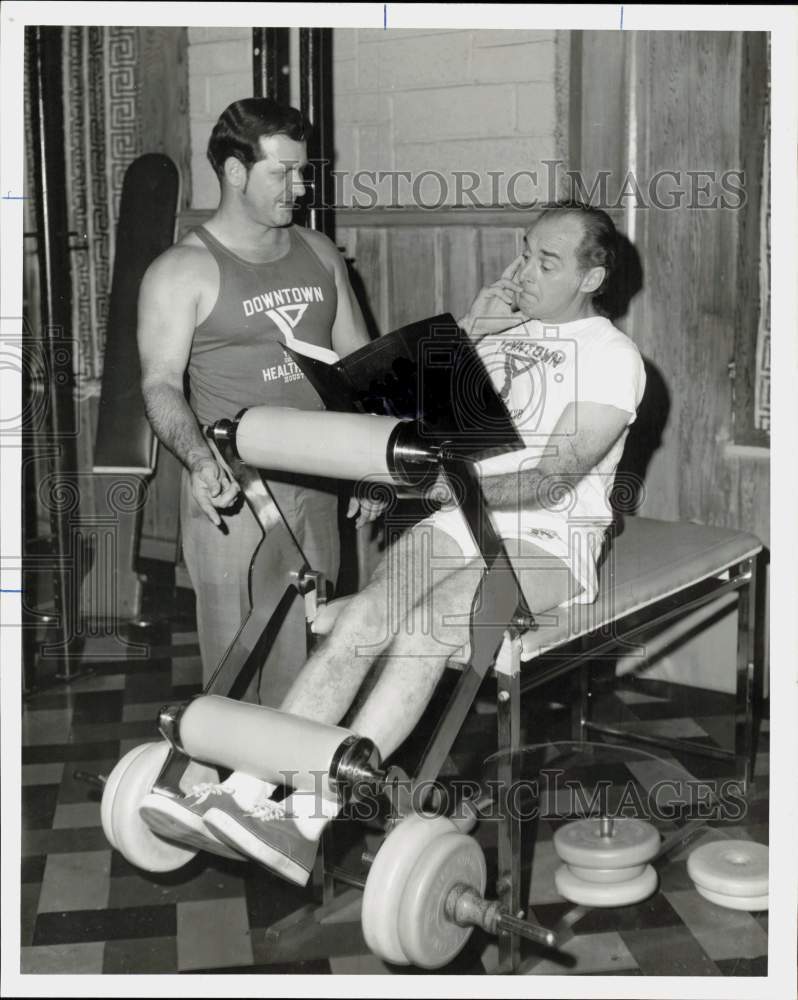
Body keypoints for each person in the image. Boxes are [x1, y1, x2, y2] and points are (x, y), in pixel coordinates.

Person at [155, 201, 648, 886]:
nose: (523, 271)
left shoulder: (613, 357)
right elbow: (429, 429)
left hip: (547, 540)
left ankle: (306, 813)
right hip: (458, 523)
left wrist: (445, 490)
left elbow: (551, 480)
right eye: (525, 251)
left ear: (592, 279)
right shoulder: (502, 334)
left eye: (547, 262)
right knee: (362, 614)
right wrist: (470, 334)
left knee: (423, 628)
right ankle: (244, 794)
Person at [137, 98, 378, 701]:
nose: (300, 185)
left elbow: (361, 369)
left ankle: (301, 790)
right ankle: (235, 788)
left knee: (315, 649)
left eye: (303, 170)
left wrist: (374, 466)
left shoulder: (319, 251)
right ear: (236, 172)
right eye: (284, 172)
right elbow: (160, 383)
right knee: (240, 659)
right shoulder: (181, 270)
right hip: (237, 486)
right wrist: (197, 460)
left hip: (320, 479)